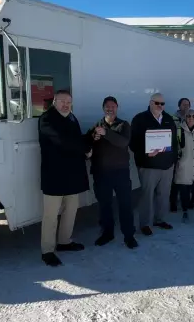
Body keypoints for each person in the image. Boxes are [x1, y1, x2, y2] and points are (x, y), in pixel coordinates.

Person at [38, 90, 92, 267]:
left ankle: (64, 242)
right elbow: (62, 141)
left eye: (69, 102)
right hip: (54, 175)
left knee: (71, 211)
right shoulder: (46, 119)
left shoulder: (72, 118)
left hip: (72, 175)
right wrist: (85, 149)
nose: (66, 105)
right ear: (55, 102)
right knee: (51, 215)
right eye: (62, 101)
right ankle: (47, 251)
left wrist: (93, 135)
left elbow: (77, 139)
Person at [87, 96, 138, 249]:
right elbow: (88, 145)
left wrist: (106, 133)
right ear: (103, 108)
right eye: (107, 106)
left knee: (125, 204)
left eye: (113, 106)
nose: (110, 109)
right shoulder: (96, 126)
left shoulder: (123, 125)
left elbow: (123, 142)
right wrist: (92, 141)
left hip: (120, 173)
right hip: (101, 173)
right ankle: (107, 233)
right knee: (104, 205)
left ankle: (129, 236)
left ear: (117, 108)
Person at [130, 93, 179, 235]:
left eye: (162, 104)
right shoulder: (139, 119)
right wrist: (146, 153)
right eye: (157, 103)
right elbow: (133, 143)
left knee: (164, 195)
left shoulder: (168, 118)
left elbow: (174, 142)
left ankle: (160, 219)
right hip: (148, 166)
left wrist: (173, 160)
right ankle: (145, 223)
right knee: (147, 196)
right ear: (150, 103)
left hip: (167, 165)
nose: (160, 106)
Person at [169, 97, 193, 212]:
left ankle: (185, 202)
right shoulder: (172, 119)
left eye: (188, 105)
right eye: (184, 104)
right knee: (175, 180)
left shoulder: (192, 118)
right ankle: (173, 203)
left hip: (188, 153)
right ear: (179, 106)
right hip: (176, 154)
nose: (186, 107)